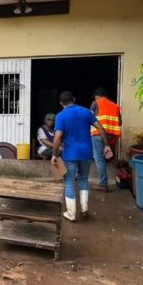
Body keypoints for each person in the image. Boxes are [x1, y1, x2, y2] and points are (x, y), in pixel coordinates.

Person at [51, 91, 112, 222]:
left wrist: (54, 154)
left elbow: (57, 137)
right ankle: (84, 210)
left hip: (70, 154)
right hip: (86, 153)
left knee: (69, 182)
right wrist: (106, 145)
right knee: (84, 179)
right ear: (74, 99)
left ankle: (71, 214)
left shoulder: (61, 116)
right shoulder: (86, 112)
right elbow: (100, 128)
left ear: (61, 103)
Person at [90, 87, 122, 191]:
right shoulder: (115, 106)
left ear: (97, 97)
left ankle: (103, 184)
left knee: (99, 158)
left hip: (98, 134)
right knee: (104, 158)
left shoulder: (95, 103)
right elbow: (120, 122)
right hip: (111, 135)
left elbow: (89, 119)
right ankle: (105, 181)